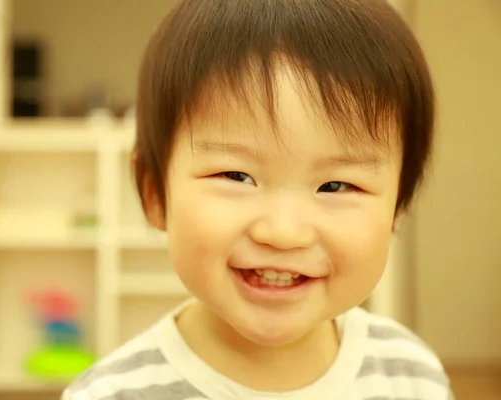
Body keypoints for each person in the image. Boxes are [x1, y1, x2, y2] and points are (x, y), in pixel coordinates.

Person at [63, 0, 454, 398]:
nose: (284, 232)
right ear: (154, 194)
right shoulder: (113, 393)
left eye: (335, 186)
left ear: (398, 206)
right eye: (236, 175)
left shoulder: (412, 378)